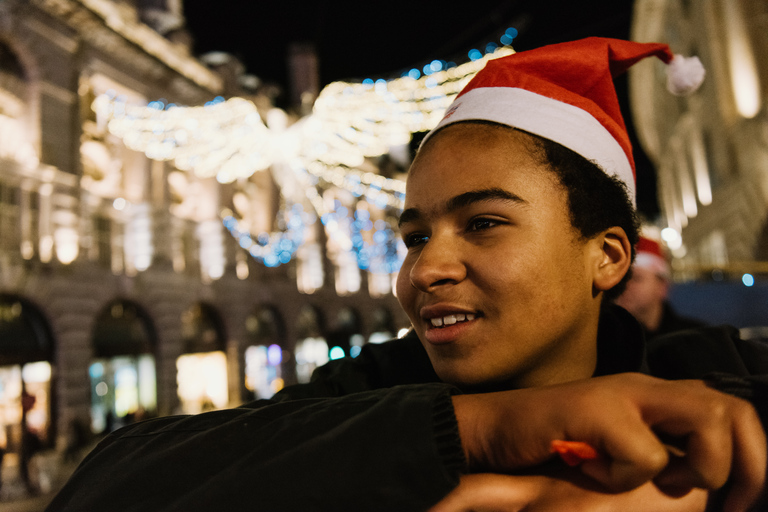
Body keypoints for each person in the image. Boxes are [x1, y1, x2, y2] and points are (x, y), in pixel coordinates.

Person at [45, 37, 767, 512]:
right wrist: (478, 430)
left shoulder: (707, 377)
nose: (428, 267)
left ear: (607, 255)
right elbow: (109, 486)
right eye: (414, 235)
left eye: (482, 222)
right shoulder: (361, 392)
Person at [615, 234, 707, 338]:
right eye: (620, 279)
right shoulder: (606, 340)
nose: (624, 286)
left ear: (662, 287)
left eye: (636, 278)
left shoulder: (694, 338)